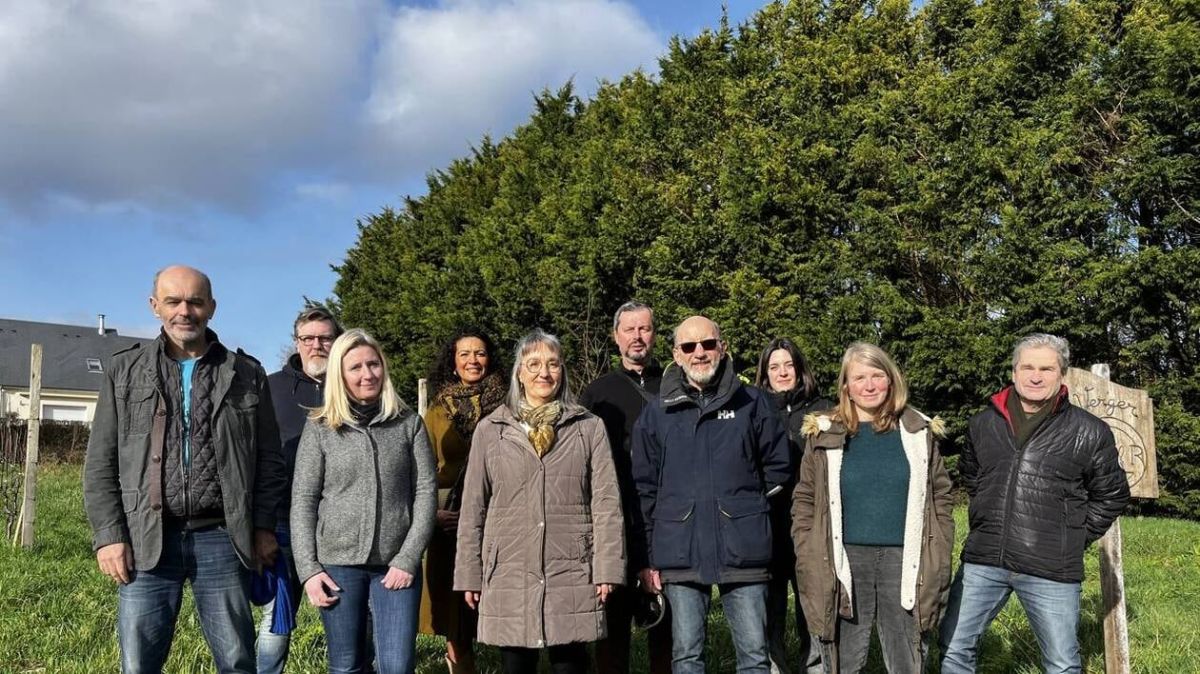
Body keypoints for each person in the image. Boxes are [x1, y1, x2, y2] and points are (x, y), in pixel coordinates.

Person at [83, 264, 286, 673]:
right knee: (138, 662)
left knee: (236, 659)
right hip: (147, 539)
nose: (184, 311)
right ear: (155, 306)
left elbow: (269, 460)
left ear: (211, 307)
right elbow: (100, 463)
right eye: (173, 301)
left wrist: (262, 526)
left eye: (195, 301)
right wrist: (108, 536)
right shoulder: (124, 372)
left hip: (224, 537)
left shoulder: (246, 374)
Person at [939, 334, 1130, 674]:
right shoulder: (982, 425)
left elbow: (1112, 494)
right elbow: (973, 476)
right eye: (1027, 367)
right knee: (954, 647)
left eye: (1047, 368)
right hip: (984, 559)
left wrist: (1071, 536)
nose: (1036, 376)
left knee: (1061, 663)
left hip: (1051, 569)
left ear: (1062, 375)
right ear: (1013, 372)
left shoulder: (1090, 431)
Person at [454, 329, 625, 674]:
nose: (543, 373)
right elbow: (473, 508)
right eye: (533, 364)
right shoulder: (492, 430)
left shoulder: (588, 427)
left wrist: (607, 567)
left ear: (562, 370)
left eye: (552, 364)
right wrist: (468, 575)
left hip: (572, 567)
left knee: (570, 665)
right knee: (516, 665)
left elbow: (607, 503)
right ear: (519, 372)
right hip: (508, 569)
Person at [632, 315, 791, 674]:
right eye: (689, 346)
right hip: (679, 550)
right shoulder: (656, 413)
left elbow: (779, 466)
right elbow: (644, 486)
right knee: (686, 656)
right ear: (676, 354)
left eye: (707, 344)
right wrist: (647, 556)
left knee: (754, 655)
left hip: (744, 549)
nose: (699, 353)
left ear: (723, 347)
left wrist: (744, 505)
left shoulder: (754, 403)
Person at [791, 342, 953, 674]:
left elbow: (941, 496)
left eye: (877, 375)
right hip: (844, 561)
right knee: (844, 659)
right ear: (846, 386)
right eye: (859, 377)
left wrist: (940, 547)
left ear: (891, 380)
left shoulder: (918, 432)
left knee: (907, 657)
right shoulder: (824, 434)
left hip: (906, 561)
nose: (869, 385)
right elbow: (805, 498)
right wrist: (805, 545)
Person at [291, 329, 437, 674]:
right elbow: (303, 499)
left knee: (397, 666)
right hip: (337, 565)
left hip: (395, 566)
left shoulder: (408, 424)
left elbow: (426, 492)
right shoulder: (321, 428)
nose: (367, 374)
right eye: (355, 367)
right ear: (340, 374)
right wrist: (309, 570)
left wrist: (408, 558)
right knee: (346, 665)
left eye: (373, 364)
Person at [580, 301, 672, 674]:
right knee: (611, 633)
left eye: (645, 328)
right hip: (613, 517)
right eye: (630, 329)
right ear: (616, 337)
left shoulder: (673, 385)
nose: (638, 336)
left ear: (654, 335)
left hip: (664, 519)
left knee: (667, 633)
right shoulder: (597, 393)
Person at [257, 302, 344, 673]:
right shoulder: (270, 388)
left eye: (325, 338)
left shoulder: (354, 386)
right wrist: (258, 525)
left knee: (349, 619)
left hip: (340, 526)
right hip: (281, 522)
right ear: (296, 342)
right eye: (307, 339)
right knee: (277, 619)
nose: (316, 346)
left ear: (337, 341)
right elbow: (253, 455)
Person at [418, 328, 506, 674]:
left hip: (496, 515)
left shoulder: (507, 403)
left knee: (499, 599)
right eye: (465, 354)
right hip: (448, 519)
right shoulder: (437, 411)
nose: (473, 360)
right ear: (453, 363)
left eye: (480, 353)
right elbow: (421, 468)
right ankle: (460, 666)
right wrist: (433, 514)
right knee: (453, 604)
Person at [753, 338, 833, 674]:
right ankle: (774, 667)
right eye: (774, 367)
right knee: (768, 612)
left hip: (811, 528)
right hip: (767, 527)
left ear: (800, 369)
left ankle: (813, 666)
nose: (782, 373)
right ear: (764, 373)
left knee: (811, 609)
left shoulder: (827, 409)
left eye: (788, 365)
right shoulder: (752, 409)